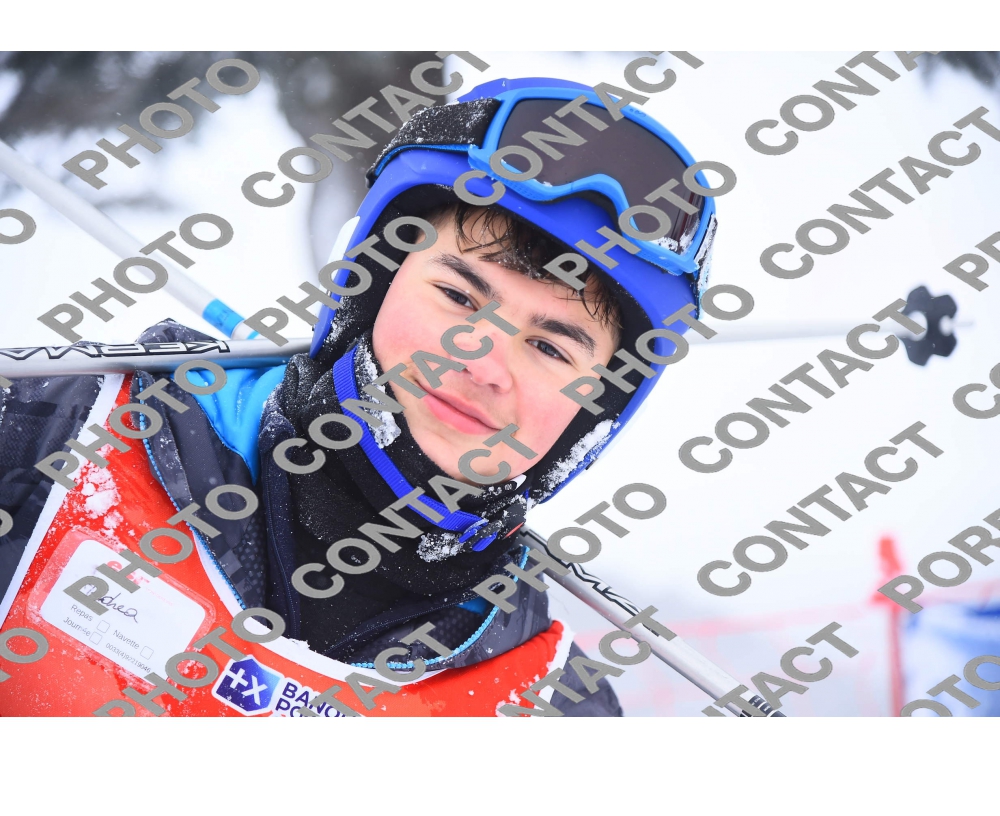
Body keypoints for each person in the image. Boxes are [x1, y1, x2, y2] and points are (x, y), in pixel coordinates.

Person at [0, 77, 718, 717]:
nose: (483, 364)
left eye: (551, 348)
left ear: (594, 416)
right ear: (369, 288)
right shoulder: (58, 437)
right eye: (458, 296)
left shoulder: (549, 710)